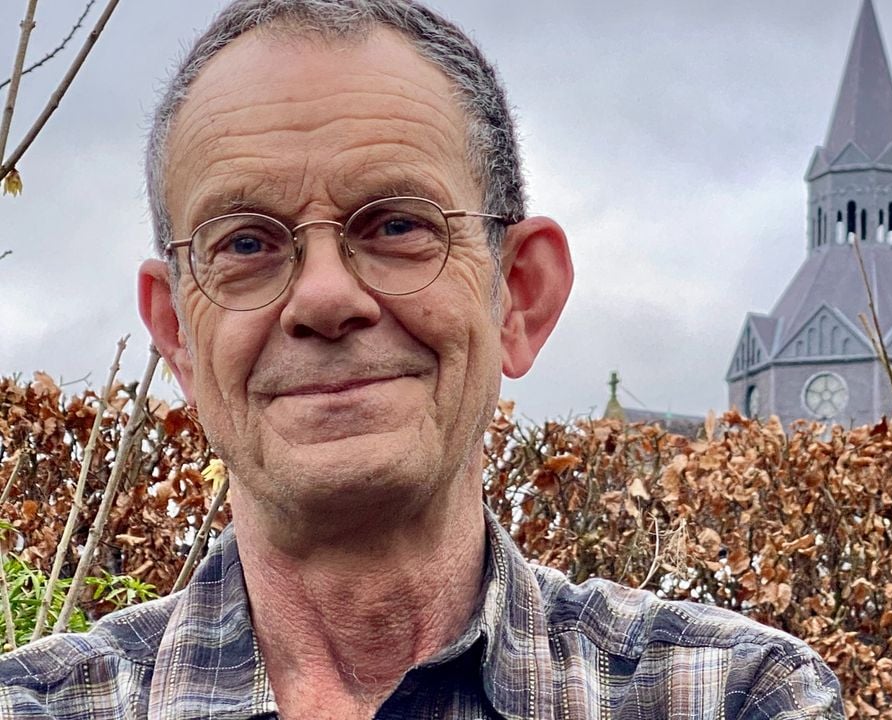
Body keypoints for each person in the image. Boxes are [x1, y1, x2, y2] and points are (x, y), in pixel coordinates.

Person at [0, 1, 844, 717]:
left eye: (396, 226)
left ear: (519, 294)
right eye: (247, 242)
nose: (325, 298)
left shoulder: (732, 697)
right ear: (177, 333)